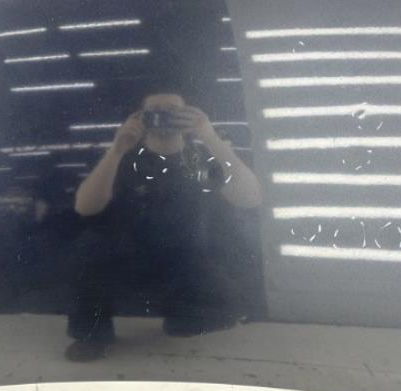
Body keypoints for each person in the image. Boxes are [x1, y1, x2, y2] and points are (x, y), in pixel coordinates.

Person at [66, 93, 263, 361]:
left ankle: (186, 315)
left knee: (199, 324)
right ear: (141, 118)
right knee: (90, 245)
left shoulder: (201, 160)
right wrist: (116, 149)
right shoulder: (122, 159)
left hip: (190, 260)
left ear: (188, 116)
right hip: (130, 259)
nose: (163, 116)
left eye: (172, 110)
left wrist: (209, 136)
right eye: (154, 110)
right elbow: (85, 207)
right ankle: (92, 336)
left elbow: (250, 198)